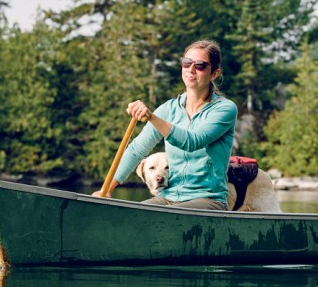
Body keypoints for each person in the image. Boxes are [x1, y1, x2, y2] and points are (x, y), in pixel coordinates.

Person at [95, 39, 237, 210]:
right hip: (169, 197)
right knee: (135, 214)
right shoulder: (168, 109)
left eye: (200, 65)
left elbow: (193, 141)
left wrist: (152, 117)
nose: (191, 69)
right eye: (186, 63)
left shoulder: (225, 109)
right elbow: (136, 150)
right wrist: (107, 189)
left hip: (208, 199)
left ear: (214, 73)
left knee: (170, 214)